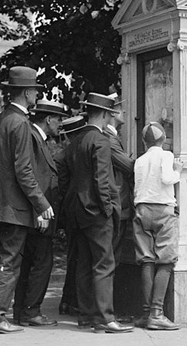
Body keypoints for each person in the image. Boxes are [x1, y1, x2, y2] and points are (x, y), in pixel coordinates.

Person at [0, 66, 54, 334]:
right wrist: (42, 204)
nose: (36, 96)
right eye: (35, 91)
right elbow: (24, 171)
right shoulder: (21, 124)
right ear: (27, 92)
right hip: (13, 207)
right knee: (9, 262)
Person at [58, 93, 133, 333]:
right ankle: (105, 317)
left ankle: (87, 315)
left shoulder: (78, 140)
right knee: (104, 263)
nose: (110, 119)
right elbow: (103, 179)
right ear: (103, 114)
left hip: (77, 210)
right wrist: (108, 207)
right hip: (97, 211)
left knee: (84, 263)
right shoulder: (100, 140)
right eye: (110, 114)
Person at [13, 100, 68, 327]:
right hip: (39, 214)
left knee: (30, 264)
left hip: (36, 213)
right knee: (41, 264)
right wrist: (40, 211)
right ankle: (31, 311)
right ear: (48, 119)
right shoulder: (35, 140)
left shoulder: (38, 139)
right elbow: (32, 178)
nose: (60, 125)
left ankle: (22, 311)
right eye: (58, 120)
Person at [132, 122, 183, 330]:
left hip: (142, 210)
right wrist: (178, 171)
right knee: (166, 261)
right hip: (163, 210)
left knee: (146, 260)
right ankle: (157, 313)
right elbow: (167, 178)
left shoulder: (140, 160)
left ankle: (145, 313)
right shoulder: (166, 156)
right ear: (163, 140)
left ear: (145, 142)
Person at [55, 115, 87, 316]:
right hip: (76, 211)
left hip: (68, 212)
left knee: (73, 257)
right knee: (79, 258)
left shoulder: (62, 155)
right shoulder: (74, 155)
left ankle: (67, 300)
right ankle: (72, 301)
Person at [104, 94, 135, 266]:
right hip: (118, 204)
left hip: (117, 204)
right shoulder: (110, 139)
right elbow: (129, 166)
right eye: (120, 108)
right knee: (112, 257)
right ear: (113, 113)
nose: (124, 111)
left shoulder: (111, 137)